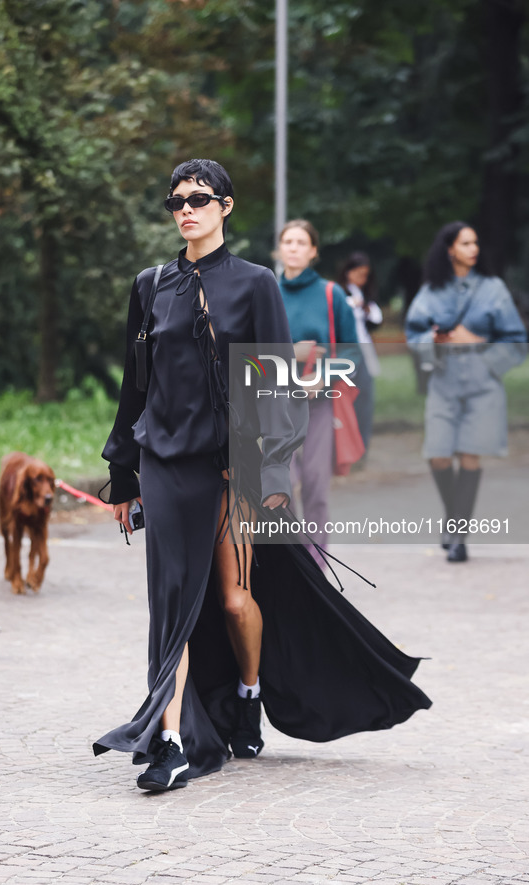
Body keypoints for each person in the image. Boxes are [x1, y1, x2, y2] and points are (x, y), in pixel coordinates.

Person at [93, 160, 432, 792]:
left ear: (225, 206)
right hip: (166, 464)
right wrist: (125, 470)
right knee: (171, 608)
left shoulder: (255, 285)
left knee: (231, 598)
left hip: (229, 470)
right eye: (175, 201)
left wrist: (266, 471)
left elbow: (275, 385)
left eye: (198, 199)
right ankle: (169, 742)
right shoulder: (151, 285)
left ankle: (248, 693)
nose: (185, 210)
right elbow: (134, 382)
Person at [405, 221, 526, 563]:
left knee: (470, 455)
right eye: (465, 243)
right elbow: (414, 336)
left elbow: (516, 340)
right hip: (443, 384)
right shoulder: (432, 289)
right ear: (449, 250)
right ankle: (453, 515)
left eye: (475, 243)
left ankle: (458, 536)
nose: (474, 249)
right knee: (439, 454)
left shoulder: (493, 288)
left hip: (483, 385)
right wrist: (435, 341)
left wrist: (478, 344)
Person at [277, 220, 358, 566]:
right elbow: (244, 351)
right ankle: (293, 559)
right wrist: (290, 355)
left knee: (314, 483)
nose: (293, 247)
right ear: (279, 249)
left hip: (319, 404)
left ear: (313, 252)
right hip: (274, 403)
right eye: (287, 241)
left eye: (301, 242)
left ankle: (316, 563)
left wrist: (320, 379)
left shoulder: (330, 294)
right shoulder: (265, 291)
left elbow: (352, 353)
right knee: (281, 483)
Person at [338, 252, 383, 455]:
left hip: (362, 351)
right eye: (357, 273)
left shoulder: (365, 296)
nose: (360, 278)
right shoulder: (339, 293)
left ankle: (361, 448)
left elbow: (375, 319)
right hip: (344, 353)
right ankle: (345, 449)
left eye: (365, 274)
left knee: (365, 399)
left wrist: (364, 308)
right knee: (344, 402)